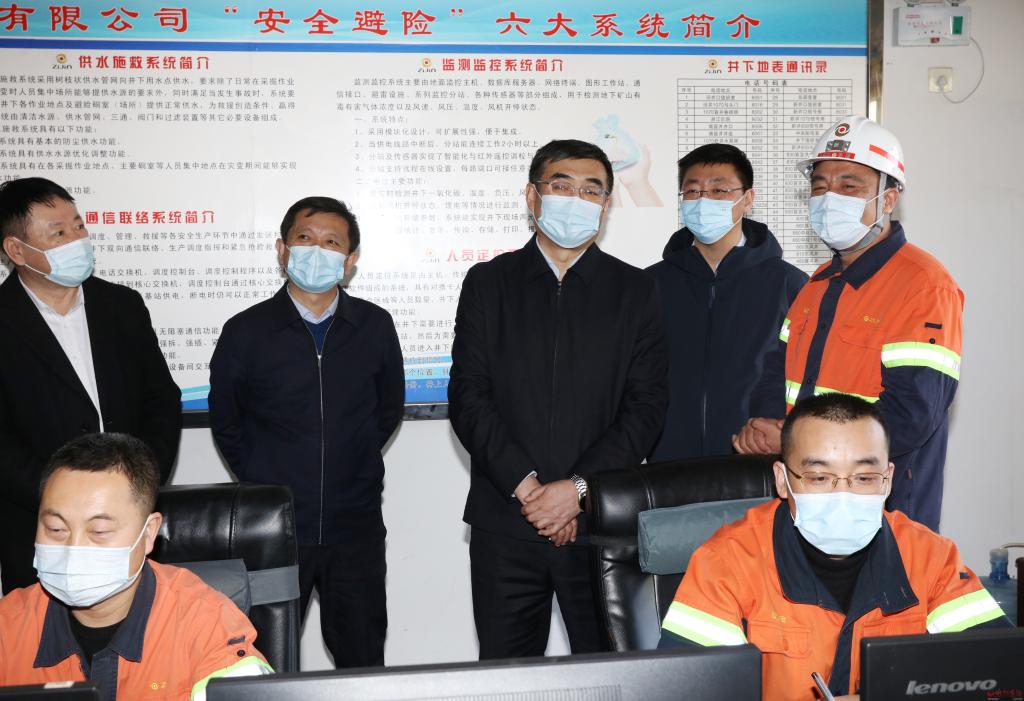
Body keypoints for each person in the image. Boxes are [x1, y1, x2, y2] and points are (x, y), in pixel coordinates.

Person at [449, 139, 669, 659]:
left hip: (600, 527)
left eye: (592, 190)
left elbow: (645, 407)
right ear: (532, 196)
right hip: (506, 521)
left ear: (606, 205)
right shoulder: (488, 282)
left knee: (608, 676)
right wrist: (530, 491)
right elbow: (469, 396)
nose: (577, 199)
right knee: (507, 677)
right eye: (561, 185)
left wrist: (576, 491)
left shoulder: (635, 290)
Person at [661, 393, 1009, 700]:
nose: (843, 495)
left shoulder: (932, 558)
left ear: (887, 480)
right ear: (782, 480)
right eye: (819, 477)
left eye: (864, 477)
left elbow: (1002, 679)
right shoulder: (725, 563)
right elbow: (683, 692)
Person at [735, 116, 963, 531]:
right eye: (820, 186)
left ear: (888, 198)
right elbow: (775, 373)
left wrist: (794, 441)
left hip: (885, 507)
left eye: (849, 185)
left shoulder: (924, 284)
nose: (829, 198)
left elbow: (910, 414)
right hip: (804, 497)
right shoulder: (819, 283)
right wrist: (763, 426)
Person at [209, 196, 404, 668]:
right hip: (273, 530)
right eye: (304, 238)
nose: (317, 250)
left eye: (332, 242)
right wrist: (264, 480)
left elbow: (386, 412)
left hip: (354, 527)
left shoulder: (374, 326)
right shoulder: (246, 331)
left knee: (362, 660)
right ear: (283, 249)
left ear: (350, 260)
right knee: (265, 660)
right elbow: (227, 422)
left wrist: (351, 464)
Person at [0, 177, 182, 594]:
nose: (77, 240)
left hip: (130, 524)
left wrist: (141, 481)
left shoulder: (122, 305)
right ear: (16, 250)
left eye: (78, 226)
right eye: (58, 233)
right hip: (39, 526)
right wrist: (63, 497)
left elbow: (161, 399)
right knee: (44, 633)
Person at [0, 433, 271, 700]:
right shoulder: (8, 627)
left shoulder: (206, 623)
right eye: (55, 529)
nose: (73, 549)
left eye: (99, 531)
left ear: (149, 533)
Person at [647, 143, 807, 461]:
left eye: (719, 190)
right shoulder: (650, 285)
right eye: (693, 191)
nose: (704, 200)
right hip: (666, 464)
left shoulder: (790, 285)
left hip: (757, 460)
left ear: (748, 199)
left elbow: (804, 379)